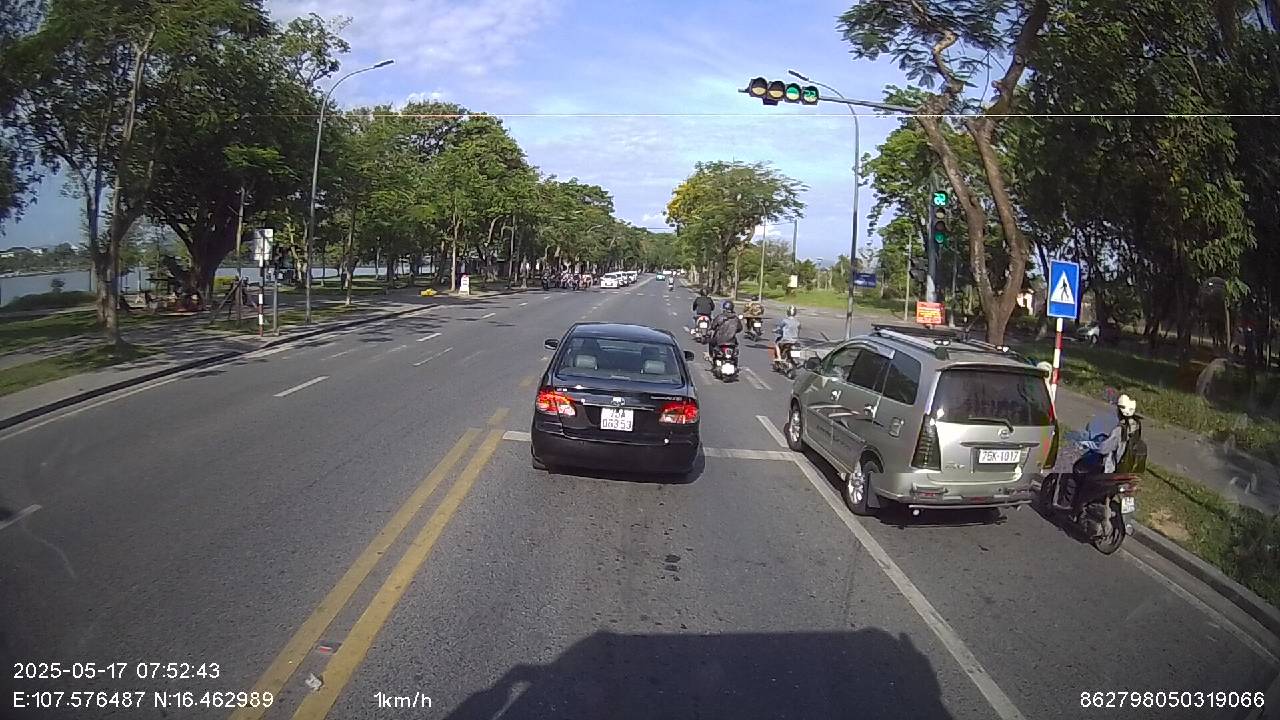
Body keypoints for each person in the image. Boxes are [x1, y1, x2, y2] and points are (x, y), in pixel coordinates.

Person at [1059, 394, 1141, 510]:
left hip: (1111, 469)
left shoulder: (1119, 430)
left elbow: (1104, 449)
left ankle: (1072, 506)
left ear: (1120, 411)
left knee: (1078, 469)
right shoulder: (1135, 427)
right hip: (1127, 470)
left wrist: (1089, 444)